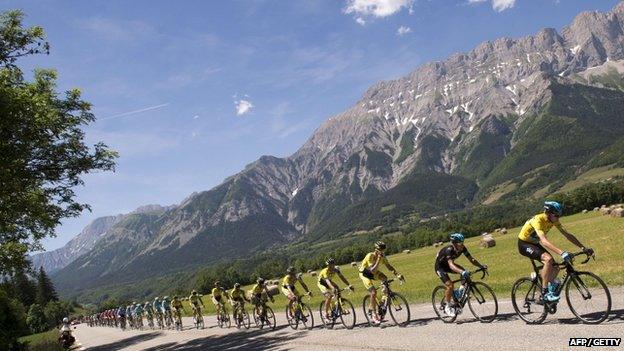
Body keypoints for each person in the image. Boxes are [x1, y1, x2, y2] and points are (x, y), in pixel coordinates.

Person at [517, 201, 593, 302]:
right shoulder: (538, 220)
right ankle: (544, 293)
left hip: (534, 243)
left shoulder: (553, 220)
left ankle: (545, 281)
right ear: (548, 213)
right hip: (524, 244)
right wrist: (561, 252)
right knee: (548, 260)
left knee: (556, 267)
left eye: (559, 215)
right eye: (556, 215)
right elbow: (544, 241)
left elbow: (567, 235)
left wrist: (583, 247)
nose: (558, 218)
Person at [434, 233, 486, 317]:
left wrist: (481, 266)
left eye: (463, 242)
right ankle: (447, 306)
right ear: (454, 243)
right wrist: (461, 272)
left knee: (465, 273)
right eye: (460, 243)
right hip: (440, 267)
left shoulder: (462, 248)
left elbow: (471, 259)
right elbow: (451, 265)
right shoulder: (449, 250)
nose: (462, 245)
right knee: (450, 285)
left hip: (449, 265)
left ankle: (459, 292)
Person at [359, 241, 403, 324]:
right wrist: (378, 259)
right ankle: (373, 314)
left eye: (383, 250)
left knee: (385, 279)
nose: (382, 251)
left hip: (373, 272)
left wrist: (397, 274)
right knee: (373, 292)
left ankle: (383, 301)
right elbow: (372, 270)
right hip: (365, 273)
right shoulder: (370, 256)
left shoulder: (383, 256)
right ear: (376, 250)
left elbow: (389, 266)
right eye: (381, 250)